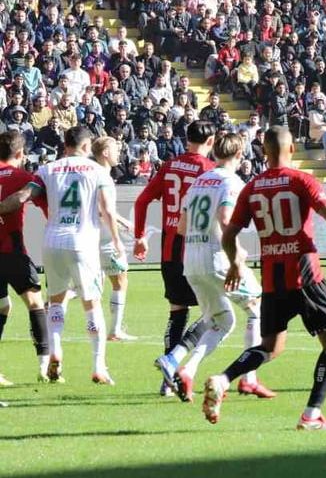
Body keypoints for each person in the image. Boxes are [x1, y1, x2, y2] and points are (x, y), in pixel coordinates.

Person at [201, 127, 326, 430]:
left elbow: (229, 234)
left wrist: (234, 265)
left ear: (263, 151)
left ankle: (224, 378)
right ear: (292, 149)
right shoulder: (301, 180)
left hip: (272, 279)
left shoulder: (253, 187)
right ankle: (311, 415)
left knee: (270, 346)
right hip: (305, 275)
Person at [155, 133, 274, 401]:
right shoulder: (231, 182)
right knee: (256, 307)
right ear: (240, 154)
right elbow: (224, 218)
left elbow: (182, 227)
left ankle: (184, 368)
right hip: (217, 256)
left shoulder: (198, 182)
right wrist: (236, 256)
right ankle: (249, 378)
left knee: (222, 320)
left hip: (192, 260)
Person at [0, 126, 123, 384]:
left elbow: (22, 196)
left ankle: (55, 352)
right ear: (87, 146)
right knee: (91, 304)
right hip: (82, 242)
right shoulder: (98, 171)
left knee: (55, 302)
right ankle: (99, 366)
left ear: (65, 144)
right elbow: (107, 211)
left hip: (52, 242)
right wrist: (117, 241)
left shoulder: (47, 170)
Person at [132, 120, 216, 397]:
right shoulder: (209, 171)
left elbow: (142, 200)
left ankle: (167, 376)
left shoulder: (169, 166)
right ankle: (178, 363)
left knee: (177, 312)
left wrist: (140, 236)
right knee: (216, 313)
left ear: (185, 139)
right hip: (197, 249)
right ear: (211, 141)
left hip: (170, 250)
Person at [0, 130, 50, 385]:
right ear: (20, 154)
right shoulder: (23, 177)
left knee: (3, 306)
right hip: (11, 251)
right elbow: (46, 206)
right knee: (35, 302)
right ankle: (44, 366)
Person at [91, 137, 136, 341]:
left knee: (93, 285)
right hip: (105, 239)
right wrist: (118, 236)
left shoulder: (92, 173)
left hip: (92, 237)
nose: (119, 153)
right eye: (115, 149)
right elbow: (104, 210)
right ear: (105, 153)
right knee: (120, 280)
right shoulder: (103, 177)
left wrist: (123, 221)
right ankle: (115, 330)